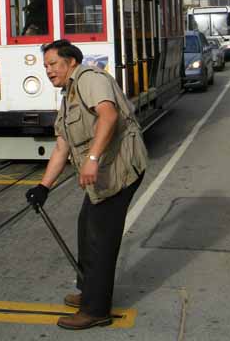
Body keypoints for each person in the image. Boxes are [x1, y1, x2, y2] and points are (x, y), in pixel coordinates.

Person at [26, 39, 147, 330]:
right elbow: (62, 146)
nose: (49, 71)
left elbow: (109, 114)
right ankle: (89, 291)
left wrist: (92, 158)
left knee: (100, 237)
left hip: (120, 167)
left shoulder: (89, 78)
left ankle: (96, 309)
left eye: (53, 64)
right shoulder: (68, 95)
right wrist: (44, 187)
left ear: (71, 62)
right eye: (45, 66)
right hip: (102, 169)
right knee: (86, 226)